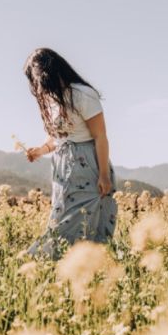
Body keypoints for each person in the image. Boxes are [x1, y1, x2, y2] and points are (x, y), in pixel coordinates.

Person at [23, 48, 117, 260]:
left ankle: (42, 262)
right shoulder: (54, 99)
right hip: (63, 169)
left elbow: (100, 136)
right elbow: (59, 138)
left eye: (38, 81)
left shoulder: (83, 94)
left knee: (80, 220)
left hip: (87, 166)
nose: (38, 87)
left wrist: (103, 175)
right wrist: (40, 150)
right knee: (62, 217)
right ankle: (59, 266)